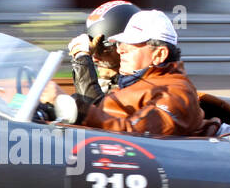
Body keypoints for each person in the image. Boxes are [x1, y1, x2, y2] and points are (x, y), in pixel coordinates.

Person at [42, 9, 215, 137]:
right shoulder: (137, 83)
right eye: (119, 43)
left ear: (159, 54)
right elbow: (103, 111)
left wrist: (69, 104)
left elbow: (135, 135)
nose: (121, 49)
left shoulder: (175, 93)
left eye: (132, 44)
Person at [69, 0, 140, 103]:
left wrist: (82, 59)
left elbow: (100, 113)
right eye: (92, 50)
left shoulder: (144, 87)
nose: (95, 58)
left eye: (104, 49)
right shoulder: (109, 83)